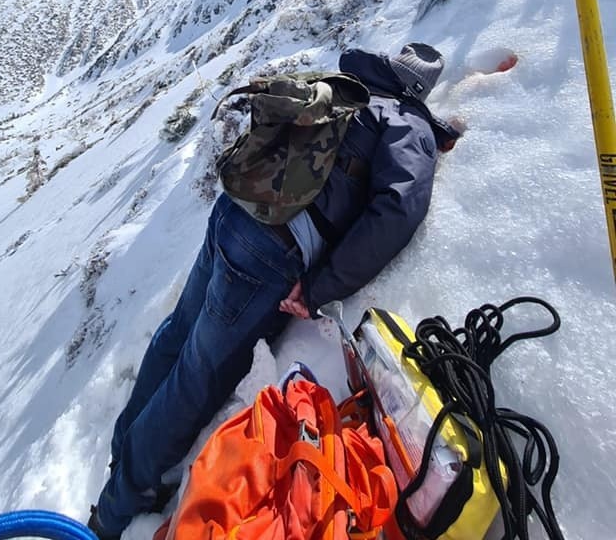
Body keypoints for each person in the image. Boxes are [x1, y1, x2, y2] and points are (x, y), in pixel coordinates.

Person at [88, 42, 459, 539]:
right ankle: (115, 512)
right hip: (271, 251)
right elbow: (395, 212)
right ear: (421, 92)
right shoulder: (406, 125)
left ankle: (125, 457)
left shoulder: (350, 89)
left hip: (234, 214)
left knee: (177, 334)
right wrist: (319, 288)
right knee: (198, 376)